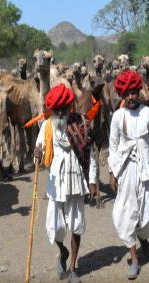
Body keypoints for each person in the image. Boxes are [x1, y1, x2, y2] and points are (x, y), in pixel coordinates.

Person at [34, 83, 96, 283]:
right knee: (55, 227)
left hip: (76, 181)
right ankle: (63, 251)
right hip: (56, 184)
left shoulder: (81, 123)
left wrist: (93, 180)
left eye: (64, 109)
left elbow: (90, 154)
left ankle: (73, 268)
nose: (60, 113)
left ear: (69, 107)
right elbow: (39, 152)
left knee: (76, 225)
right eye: (56, 109)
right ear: (52, 109)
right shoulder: (46, 126)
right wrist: (36, 154)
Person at [108, 70, 149, 279]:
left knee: (148, 215)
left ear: (139, 92)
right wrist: (112, 172)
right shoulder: (118, 117)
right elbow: (113, 146)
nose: (131, 97)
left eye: (134, 93)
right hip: (126, 169)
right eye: (128, 93)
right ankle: (134, 259)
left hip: (146, 168)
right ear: (123, 94)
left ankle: (144, 237)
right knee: (126, 212)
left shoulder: (148, 113)